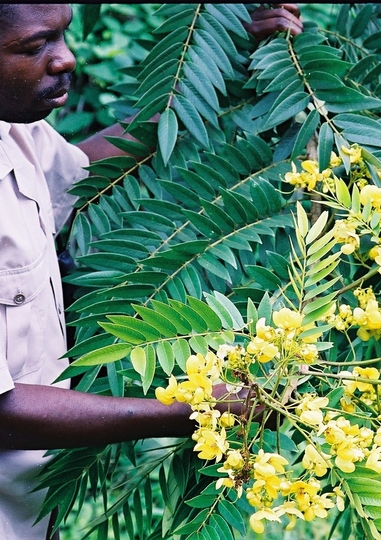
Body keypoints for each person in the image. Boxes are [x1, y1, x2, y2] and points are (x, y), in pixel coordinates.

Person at [0, 4, 302, 539]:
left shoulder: (14, 133)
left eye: (64, 35)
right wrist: (201, 408)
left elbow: (87, 171)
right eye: (34, 47)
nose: (65, 58)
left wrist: (221, 62)